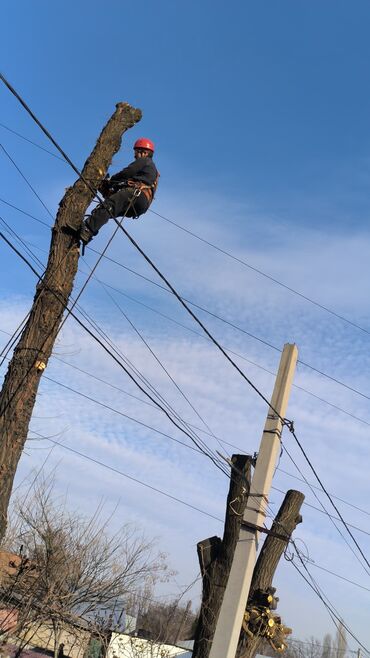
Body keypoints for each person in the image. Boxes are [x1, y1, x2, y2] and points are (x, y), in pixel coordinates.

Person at [80, 137, 159, 245]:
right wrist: (111, 189)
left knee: (109, 206)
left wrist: (111, 181)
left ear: (144, 152)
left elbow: (127, 173)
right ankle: (89, 232)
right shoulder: (151, 171)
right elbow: (127, 182)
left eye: (136, 153)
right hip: (141, 205)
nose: (135, 156)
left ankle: (87, 229)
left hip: (137, 194)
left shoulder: (145, 161)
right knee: (109, 210)